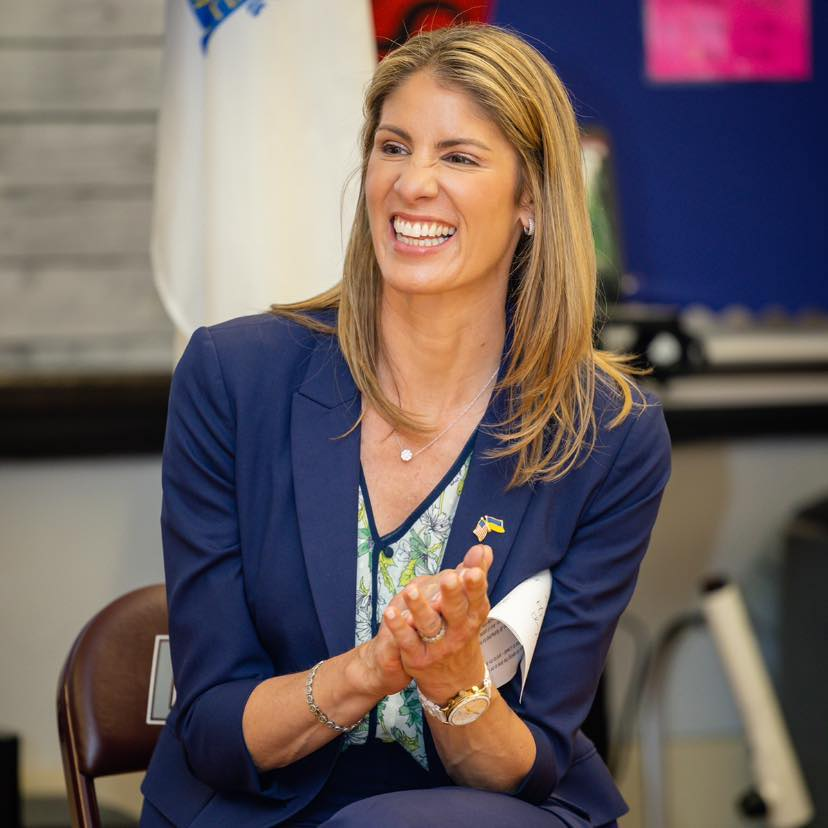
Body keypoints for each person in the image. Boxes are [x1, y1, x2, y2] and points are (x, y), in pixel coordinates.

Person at [140, 23, 671, 828]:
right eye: (394, 147)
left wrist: (455, 682)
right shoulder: (234, 378)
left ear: (531, 201)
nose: (412, 183)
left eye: (457, 157)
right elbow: (215, 728)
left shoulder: (606, 436)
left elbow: (529, 765)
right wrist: (374, 670)